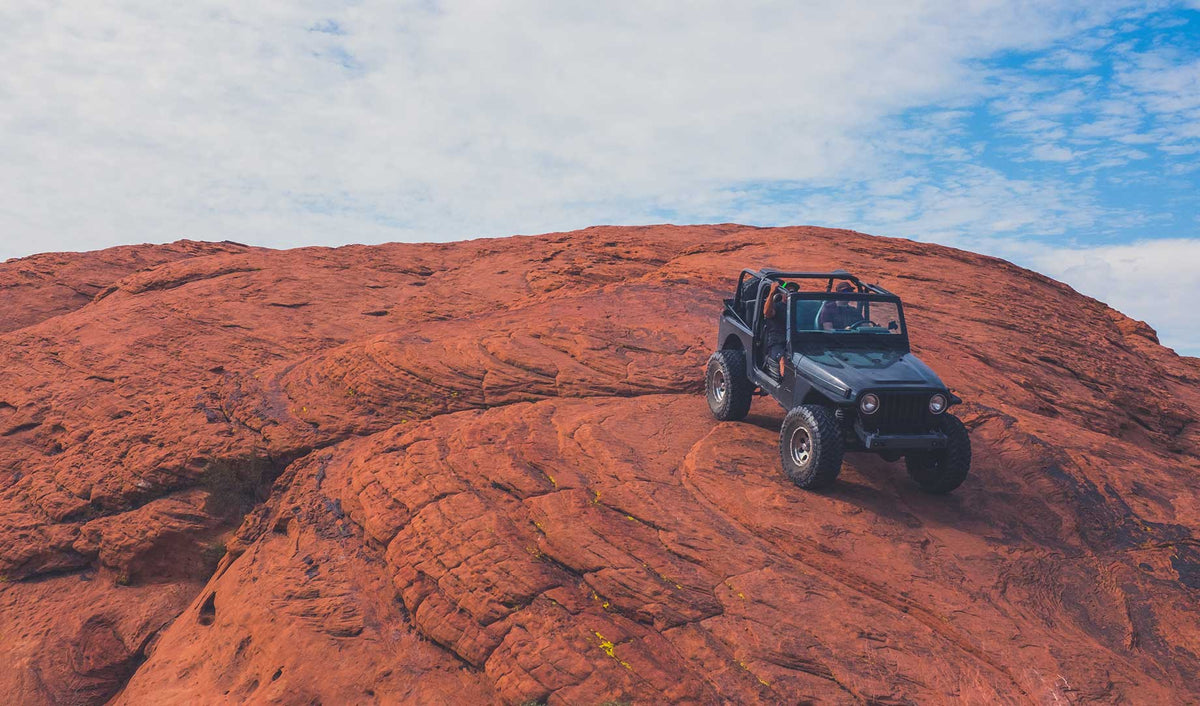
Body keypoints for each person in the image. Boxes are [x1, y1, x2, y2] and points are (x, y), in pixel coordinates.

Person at [762, 281, 789, 378]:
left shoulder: (798, 308)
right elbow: (767, 312)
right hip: (777, 343)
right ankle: (783, 382)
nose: (790, 293)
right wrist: (771, 293)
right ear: (782, 294)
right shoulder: (777, 307)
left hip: (793, 342)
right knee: (783, 360)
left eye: (793, 291)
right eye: (788, 291)